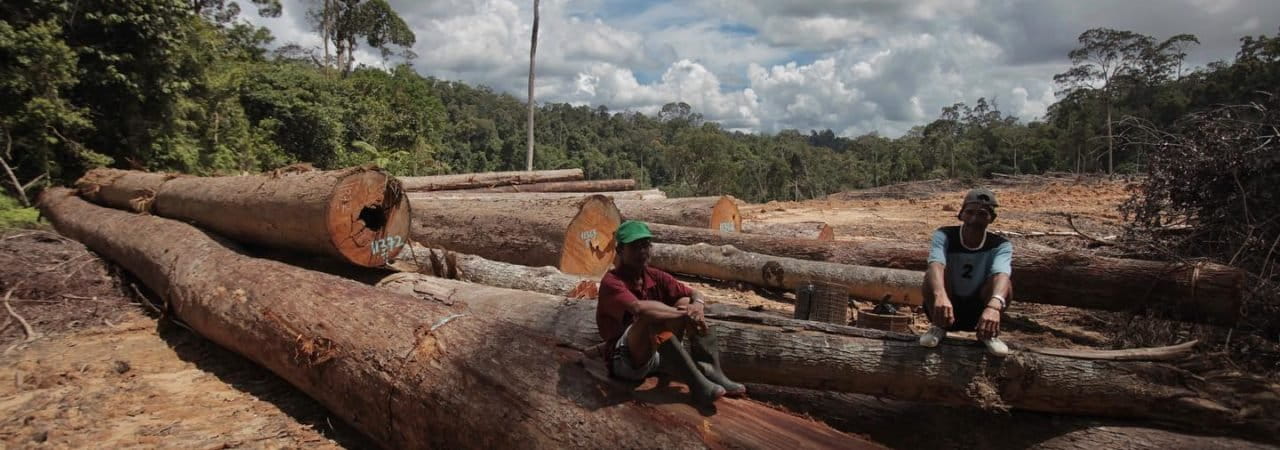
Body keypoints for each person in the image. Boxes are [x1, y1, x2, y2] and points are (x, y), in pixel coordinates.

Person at [596, 220, 746, 405]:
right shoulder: (612, 281)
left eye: (645, 245)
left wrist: (697, 306)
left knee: (685, 301)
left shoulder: (654, 275)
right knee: (650, 317)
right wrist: (683, 314)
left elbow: (695, 293)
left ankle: (709, 368)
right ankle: (696, 382)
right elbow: (639, 309)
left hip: (655, 355)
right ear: (620, 250)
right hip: (625, 362)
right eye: (634, 247)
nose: (642, 251)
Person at [918, 188, 1014, 356]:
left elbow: (1002, 274)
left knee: (1006, 285)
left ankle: (988, 334)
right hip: (945, 307)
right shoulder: (944, 235)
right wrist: (940, 295)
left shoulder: (1001, 245)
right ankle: (938, 327)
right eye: (969, 212)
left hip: (979, 312)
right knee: (931, 275)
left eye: (982, 214)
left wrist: (994, 306)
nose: (974, 219)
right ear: (961, 214)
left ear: (992, 219)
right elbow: (936, 263)